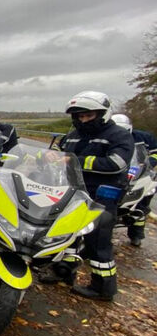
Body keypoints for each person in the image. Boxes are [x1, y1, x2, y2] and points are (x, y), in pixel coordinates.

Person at [42, 91, 134, 301]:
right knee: (65, 234)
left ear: (102, 113)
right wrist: (52, 154)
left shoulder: (118, 135)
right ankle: (63, 272)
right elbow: (61, 149)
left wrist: (77, 161)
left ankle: (103, 288)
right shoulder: (74, 133)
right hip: (72, 192)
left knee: (97, 243)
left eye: (88, 116)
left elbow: (116, 163)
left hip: (101, 197)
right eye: (79, 116)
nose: (83, 120)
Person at [111, 114, 157, 246]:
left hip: (142, 173)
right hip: (118, 173)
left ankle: (136, 235)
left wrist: (150, 163)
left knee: (142, 205)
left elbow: (155, 152)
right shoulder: (109, 137)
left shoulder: (143, 137)